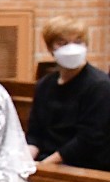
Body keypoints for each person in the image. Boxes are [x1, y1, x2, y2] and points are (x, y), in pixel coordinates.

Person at [26, 16, 110, 170]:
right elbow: (35, 134)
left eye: (78, 42)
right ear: (51, 49)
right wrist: (26, 160)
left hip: (82, 166)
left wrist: (45, 166)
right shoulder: (44, 85)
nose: (71, 49)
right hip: (46, 162)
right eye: (63, 43)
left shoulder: (100, 86)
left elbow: (88, 139)